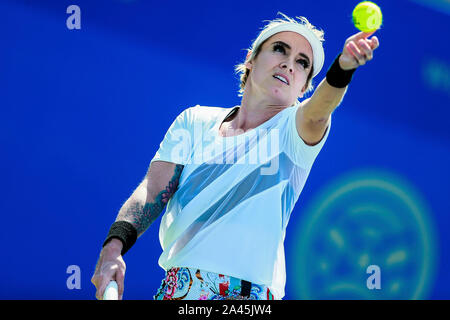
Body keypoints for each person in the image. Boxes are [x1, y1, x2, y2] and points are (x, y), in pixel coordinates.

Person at [91, 12, 380, 300]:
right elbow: (152, 191)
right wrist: (114, 246)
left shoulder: (294, 133)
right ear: (251, 60)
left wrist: (342, 69)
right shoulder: (194, 121)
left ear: (304, 87)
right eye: (280, 49)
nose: (289, 64)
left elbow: (319, 111)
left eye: (302, 63)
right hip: (179, 291)